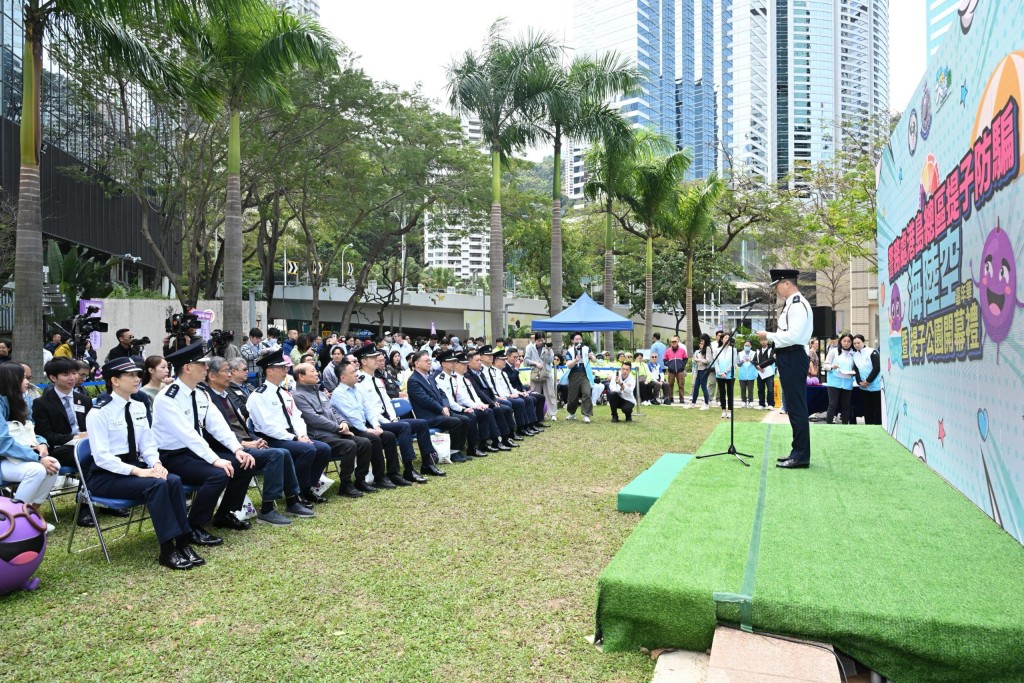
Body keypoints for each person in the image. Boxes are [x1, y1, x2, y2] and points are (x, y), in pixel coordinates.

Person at [84, 358, 204, 570]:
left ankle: (183, 542)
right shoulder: (99, 412)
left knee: (173, 480)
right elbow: (101, 456)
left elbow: (148, 445)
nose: (137, 379)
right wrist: (138, 471)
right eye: (130, 375)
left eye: (137, 374)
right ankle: (167, 550)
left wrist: (156, 464)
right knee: (157, 485)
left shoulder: (139, 406)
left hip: (134, 467)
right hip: (105, 475)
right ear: (114, 380)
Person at [151, 341, 256, 547]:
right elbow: (187, 434)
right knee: (217, 474)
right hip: (172, 455)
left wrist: (237, 449)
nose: (207, 368)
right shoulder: (167, 398)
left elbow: (218, 425)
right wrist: (215, 459)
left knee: (243, 464)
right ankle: (194, 526)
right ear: (187, 368)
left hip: (194, 452)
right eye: (202, 364)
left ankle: (224, 514)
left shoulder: (201, 393)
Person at [203, 357, 314, 522]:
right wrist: (242, 444)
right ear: (212, 376)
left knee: (283, 453)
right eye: (226, 371)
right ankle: (267, 509)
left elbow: (244, 427)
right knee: (277, 454)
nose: (229, 375)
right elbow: (210, 433)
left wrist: (255, 439)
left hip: (243, 443)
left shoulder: (224, 395)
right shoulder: (206, 398)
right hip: (225, 448)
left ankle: (292, 500)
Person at [246, 348, 335, 502]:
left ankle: (307, 488)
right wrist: (294, 438)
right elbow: (267, 426)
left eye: (286, 367)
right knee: (307, 450)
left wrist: (301, 434)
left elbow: (296, 417)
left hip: (292, 436)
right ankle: (296, 492)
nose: (286, 370)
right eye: (282, 368)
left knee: (323, 449)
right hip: (272, 439)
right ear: (270, 371)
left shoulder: (285, 392)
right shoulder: (258, 395)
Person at [357, 346, 444, 478]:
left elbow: (386, 401)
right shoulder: (359, 381)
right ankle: (409, 469)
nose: (377, 360)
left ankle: (428, 463)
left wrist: (393, 418)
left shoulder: (376, 379)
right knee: (404, 426)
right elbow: (367, 408)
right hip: (375, 423)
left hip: (387, 419)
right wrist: (386, 421)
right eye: (373, 358)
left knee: (421, 424)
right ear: (363, 362)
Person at [290, 362, 375, 497]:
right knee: (350, 445)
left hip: (336, 433)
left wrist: (343, 422)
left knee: (364, 442)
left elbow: (333, 410)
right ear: (301, 376)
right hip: (319, 436)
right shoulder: (298, 396)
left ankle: (360, 480)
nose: (317, 373)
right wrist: (337, 427)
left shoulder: (319, 392)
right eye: (312, 371)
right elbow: (313, 418)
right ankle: (345, 485)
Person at [757, 269, 813, 469]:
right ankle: (797, 451)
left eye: (777, 285)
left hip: (793, 355)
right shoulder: (792, 304)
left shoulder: (797, 305)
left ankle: (800, 455)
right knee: (794, 407)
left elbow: (795, 336)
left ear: (787, 283)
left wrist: (768, 335)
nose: (776, 290)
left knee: (796, 407)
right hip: (788, 356)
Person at [330, 359, 406, 489]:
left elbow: (368, 409)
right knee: (374, 439)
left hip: (363, 426)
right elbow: (351, 415)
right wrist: (366, 429)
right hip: (351, 429)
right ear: (343, 377)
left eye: (355, 370)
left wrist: (375, 425)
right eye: (353, 372)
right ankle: (377, 477)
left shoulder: (357, 389)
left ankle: (394, 474)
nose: (356, 374)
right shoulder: (338, 393)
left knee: (388, 436)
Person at [31, 360, 91, 525]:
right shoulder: (42, 403)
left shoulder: (84, 400)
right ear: (52, 377)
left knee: (101, 453)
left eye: (74, 373)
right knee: (89, 457)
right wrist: (75, 437)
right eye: (66, 374)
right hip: (60, 449)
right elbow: (45, 435)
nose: (72, 378)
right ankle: (84, 506)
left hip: (86, 444)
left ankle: (105, 499)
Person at [0, 363, 59, 520]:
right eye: (23, 378)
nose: (28, 382)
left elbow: (31, 429)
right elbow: (3, 443)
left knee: (54, 464)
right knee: (37, 469)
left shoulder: (21, 400)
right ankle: (13, 519)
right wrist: (38, 458)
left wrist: (42, 443)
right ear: (11, 380)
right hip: (3, 460)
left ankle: (31, 515)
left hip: (16, 458)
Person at [406, 350, 470, 459]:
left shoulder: (429, 377)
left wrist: (445, 406)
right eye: (426, 361)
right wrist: (441, 409)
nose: (429, 363)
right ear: (416, 363)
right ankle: (453, 452)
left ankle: (457, 450)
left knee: (465, 419)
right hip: (428, 416)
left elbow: (442, 393)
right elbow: (425, 400)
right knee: (456, 422)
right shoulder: (413, 381)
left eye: (430, 361)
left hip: (440, 412)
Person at [823, 333, 856, 425]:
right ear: (840, 341)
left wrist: (854, 370)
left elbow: (856, 367)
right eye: (844, 341)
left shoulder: (854, 353)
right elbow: (825, 365)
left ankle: (845, 425)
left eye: (849, 341)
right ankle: (828, 425)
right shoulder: (833, 351)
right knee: (832, 404)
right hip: (834, 382)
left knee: (846, 406)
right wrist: (832, 366)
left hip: (847, 382)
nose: (846, 343)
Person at [524, 335, 557, 421]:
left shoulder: (547, 348)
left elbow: (550, 360)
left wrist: (548, 351)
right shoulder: (530, 348)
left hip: (546, 373)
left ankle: (552, 414)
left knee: (550, 393)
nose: (540, 342)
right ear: (534, 340)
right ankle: (535, 413)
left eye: (542, 340)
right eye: (538, 340)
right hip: (535, 373)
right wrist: (535, 363)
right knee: (535, 393)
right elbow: (526, 360)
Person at [563, 333, 594, 423]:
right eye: (576, 339)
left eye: (580, 339)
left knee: (587, 393)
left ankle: (586, 414)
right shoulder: (569, 351)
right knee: (573, 396)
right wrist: (576, 360)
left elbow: (595, 360)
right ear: (572, 341)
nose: (578, 341)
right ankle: (572, 413)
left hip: (585, 374)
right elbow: (569, 365)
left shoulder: (587, 349)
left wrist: (592, 356)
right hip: (573, 374)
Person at [852, 334, 882, 425]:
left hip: (875, 386)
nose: (856, 345)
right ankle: (868, 426)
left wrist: (868, 381)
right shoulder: (855, 355)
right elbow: (856, 369)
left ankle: (878, 426)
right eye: (854, 343)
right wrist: (859, 381)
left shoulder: (872, 352)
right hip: (863, 387)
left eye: (858, 342)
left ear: (863, 342)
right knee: (867, 409)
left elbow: (877, 368)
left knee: (877, 408)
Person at [685, 335, 712, 410]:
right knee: (696, 386)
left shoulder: (708, 348)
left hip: (704, 369)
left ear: (705, 340)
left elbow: (708, 360)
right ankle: (693, 403)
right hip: (699, 369)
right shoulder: (702, 348)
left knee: (703, 387)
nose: (701, 341)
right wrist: (696, 359)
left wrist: (698, 359)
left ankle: (706, 404)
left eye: (702, 340)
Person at [714, 333, 738, 419]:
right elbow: (716, 362)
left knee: (730, 393)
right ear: (721, 339)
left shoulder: (733, 350)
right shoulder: (717, 350)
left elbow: (733, 362)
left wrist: (725, 372)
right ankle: (723, 410)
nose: (727, 339)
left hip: (730, 374)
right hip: (720, 375)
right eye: (725, 338)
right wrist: (719, 372)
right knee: (722, 393)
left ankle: (730, 411)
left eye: (728, 338)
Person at [662, 336, 688, 404]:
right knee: (670, 384)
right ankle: (670, 398)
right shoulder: (668, 351)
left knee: (681, 385)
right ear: (670, 343)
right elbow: (665, 360)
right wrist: (669, 365)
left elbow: (685, 359)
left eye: (675, 342)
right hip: (671, 371)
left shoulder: (682, 350)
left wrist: (682, 365)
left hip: (680, 370)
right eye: (672, 342)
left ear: (677, 342)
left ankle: (681, 398)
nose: (674, 343)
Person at [754, 337, 776, 410]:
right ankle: (761, 404)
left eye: (765, 340)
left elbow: (772, 359)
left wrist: (761, 366)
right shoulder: (757, 350)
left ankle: (771, 404)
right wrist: (758, 366)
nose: (763, 342)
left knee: (770, 389)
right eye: (762, 340)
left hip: (769, 372)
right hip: (760, 373)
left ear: (767, 341)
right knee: (760, 388)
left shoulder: (771, 350)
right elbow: (754, 361)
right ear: (760, 341)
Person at [737, 339, 758, 408]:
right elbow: (738, 364)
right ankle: (743, 401)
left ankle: (750, 401)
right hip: (742, 374)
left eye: (748, 345)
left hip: (751, 374)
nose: (746, 347)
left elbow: (756, 363)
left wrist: (750, 360)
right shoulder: (740, 353)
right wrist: (742, 362)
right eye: (745, 345)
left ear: (751, 346)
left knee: (750, 389)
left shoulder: (754, 353)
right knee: (742, 389)